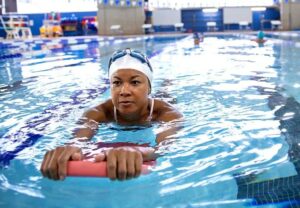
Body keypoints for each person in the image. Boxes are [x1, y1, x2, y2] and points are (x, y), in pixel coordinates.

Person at [40, 48, 183, 181]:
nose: (124, 91)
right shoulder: (98, 112)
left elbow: (165, 145)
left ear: (149, 87)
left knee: (166, 93)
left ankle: (167, 83)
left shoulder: (167, 113)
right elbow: (79, 138)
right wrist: (71, 147)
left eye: (135, 82)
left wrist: (145, 152)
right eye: (117, 82)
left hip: (159, 101)